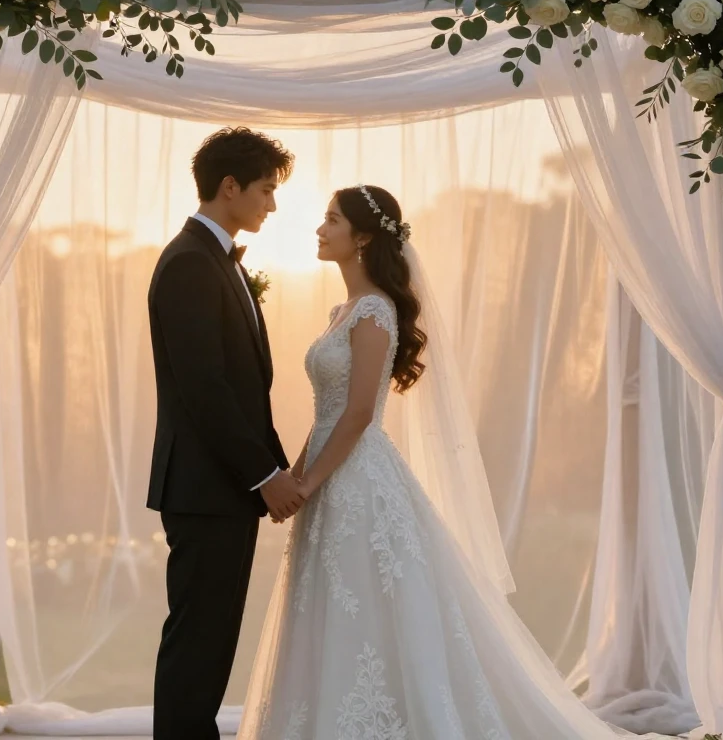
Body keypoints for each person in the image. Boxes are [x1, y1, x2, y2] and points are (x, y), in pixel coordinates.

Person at [235, 185, 623, 740]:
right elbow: (327, 414)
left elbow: (361, 412)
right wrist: (296, 479)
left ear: (363, 237)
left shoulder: (374, 311)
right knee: (330, 606)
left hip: (359, 481)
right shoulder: (339, 311)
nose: (320, 230)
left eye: (332, 220)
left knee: (371, 605)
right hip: (327, 475)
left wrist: (309, 482)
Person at [146, 127, 308, 740]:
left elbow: (246, 390)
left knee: (211, 642)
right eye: (266, 190)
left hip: (221, 487)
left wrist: (282, 469)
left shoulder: (217, 259)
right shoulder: (190, 262)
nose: (272, 204)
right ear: (230, 186)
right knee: (198, 641)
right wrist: (266, 478)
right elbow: (204, 389)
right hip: (204, 487)